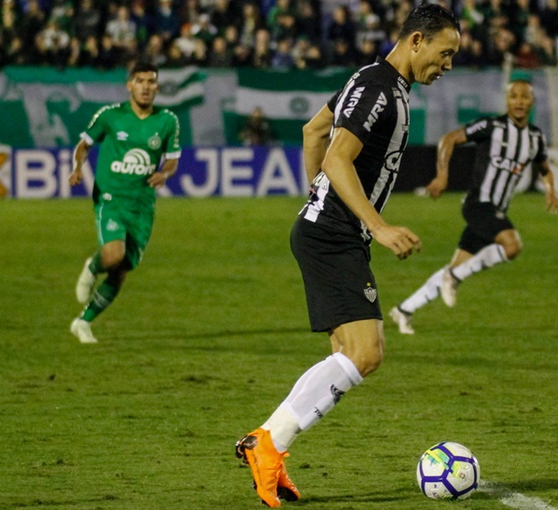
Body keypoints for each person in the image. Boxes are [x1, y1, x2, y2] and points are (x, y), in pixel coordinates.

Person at [233, 4, 460, 508]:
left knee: (347, 354)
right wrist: (375, 225)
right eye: (445, 54)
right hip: (335, 234)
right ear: (417, 40)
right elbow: (336, 154)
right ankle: (270, 443)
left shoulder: (372, 79)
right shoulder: (380, 89)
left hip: (327, 229)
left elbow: (313, 132)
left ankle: (267, 442)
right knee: (366, 353)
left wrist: (316, 194)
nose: (447, 66)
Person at [389, 79, 558, 335]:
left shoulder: (535, 138)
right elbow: (449, 139)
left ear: (532, 101)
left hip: (494, 211)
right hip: (478, 205)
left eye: (524, 97)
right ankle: (455, 279)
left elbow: (544, 168)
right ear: (507, 100)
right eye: (514, 96)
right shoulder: (492, 126)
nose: (519, 101)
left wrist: (551, 191)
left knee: (456, 265)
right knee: (512, 246)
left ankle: (403, 310)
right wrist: (442, 175)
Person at [68, 61, 181, 344]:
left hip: (142, 205)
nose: (146, 87)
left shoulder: (167, 121)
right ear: (129, 85)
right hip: (111, 197)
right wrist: (77, 167)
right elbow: (84, 145)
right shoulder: (110, 116)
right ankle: (92, 268)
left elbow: (173, 160)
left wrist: (163, 173)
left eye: (152, 81)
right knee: (112, 256)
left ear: (157, 87)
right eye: (140, 81)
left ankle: (83, 322)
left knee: (121, 271)